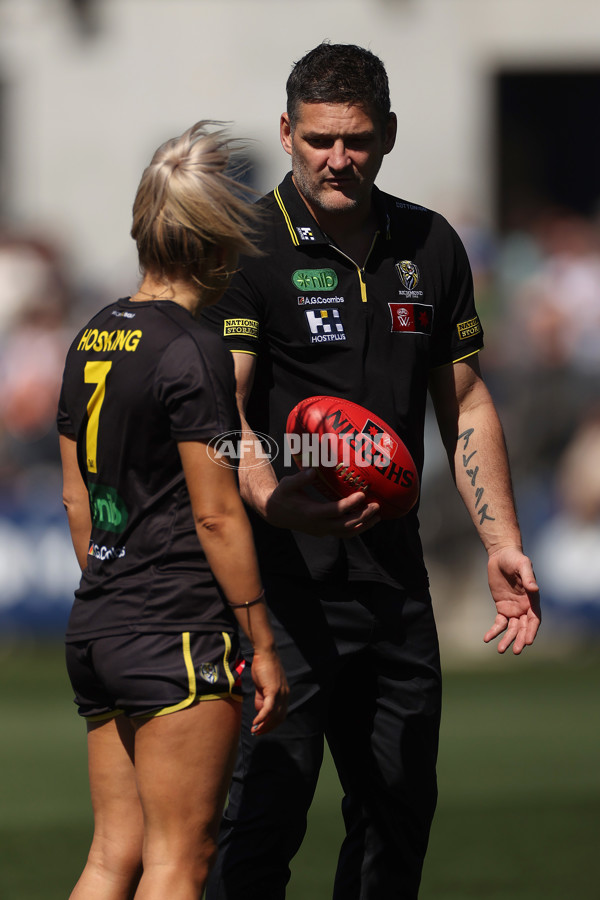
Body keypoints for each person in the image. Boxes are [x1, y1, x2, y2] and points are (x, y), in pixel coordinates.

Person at [202, 43, 541, 900]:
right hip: (279, 590)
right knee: (260, 828)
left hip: (393, 587)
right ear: (287, 132)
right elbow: (224, 418)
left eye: (356, 140)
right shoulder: (247, 249)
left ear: (387, 134)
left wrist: (501, 540)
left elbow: (463, 403)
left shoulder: (430, 243)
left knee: (396, 820)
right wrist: (277, 501)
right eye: (318, 139)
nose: (337, 159)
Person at [57, 121, 288, 900]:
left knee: (110, 856)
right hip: (177, 632)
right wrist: (260, 639)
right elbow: (218, 514)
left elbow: (73, 495)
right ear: (219, 243)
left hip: (100, 623)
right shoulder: (195, 350)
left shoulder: (92, 334)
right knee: (179, 860)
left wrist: (113, 590)